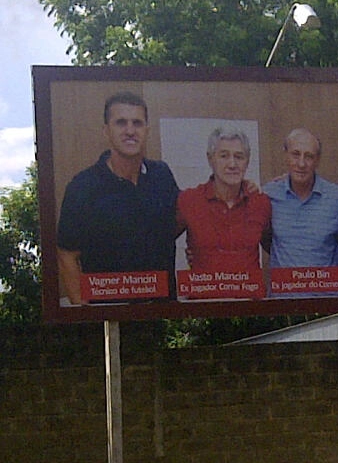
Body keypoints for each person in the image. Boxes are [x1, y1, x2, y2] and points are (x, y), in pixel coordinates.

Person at [57, 91, 179, 304]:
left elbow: (180, 220)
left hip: (161, 313)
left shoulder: (161, 175)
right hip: (108, 313)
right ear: (106, 130)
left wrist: (242, 189)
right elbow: (67, 253)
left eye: (137, 123)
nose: (130, 131)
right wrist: (83, 310)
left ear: (147, 130)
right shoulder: (83, 186)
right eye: (121, 123)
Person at [176, 127, 271, 273]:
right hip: (205, 294)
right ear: (210, 159)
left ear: (247, 161)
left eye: (239, 157)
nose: (232, 164)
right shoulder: (189, 200)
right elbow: (160, 242)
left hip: (249, 294)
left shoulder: (261, 203)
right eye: (224, 156)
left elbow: (278, 249)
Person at [262, 128, 338, 269]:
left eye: (309, 156)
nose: (301, 164)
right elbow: (265, 240)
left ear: (318, 160)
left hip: (326, 291)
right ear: (286, 155)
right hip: (283, 290)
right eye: (295, 154)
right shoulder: (268, 195)